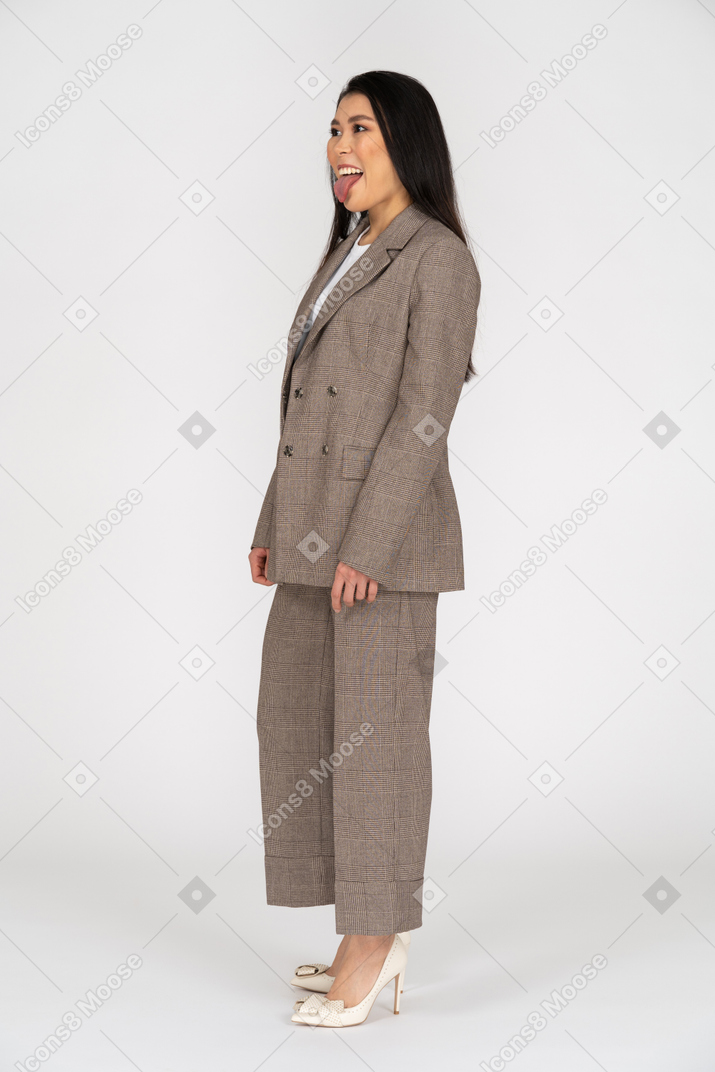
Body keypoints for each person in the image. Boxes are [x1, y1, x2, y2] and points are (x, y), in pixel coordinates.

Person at [248, 70, 481, 1028]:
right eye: (334, 129)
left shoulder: (437, 259)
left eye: (362, 130)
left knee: (376, 746)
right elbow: (304, 410)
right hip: (309, 539)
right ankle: (354, 932)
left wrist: (369, 545)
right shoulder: (352, 248)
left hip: (379, 548)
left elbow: (424, 417)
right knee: (296, 725)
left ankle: (376, 943)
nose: (340, 148)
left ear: (407, 144)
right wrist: (272, 522)